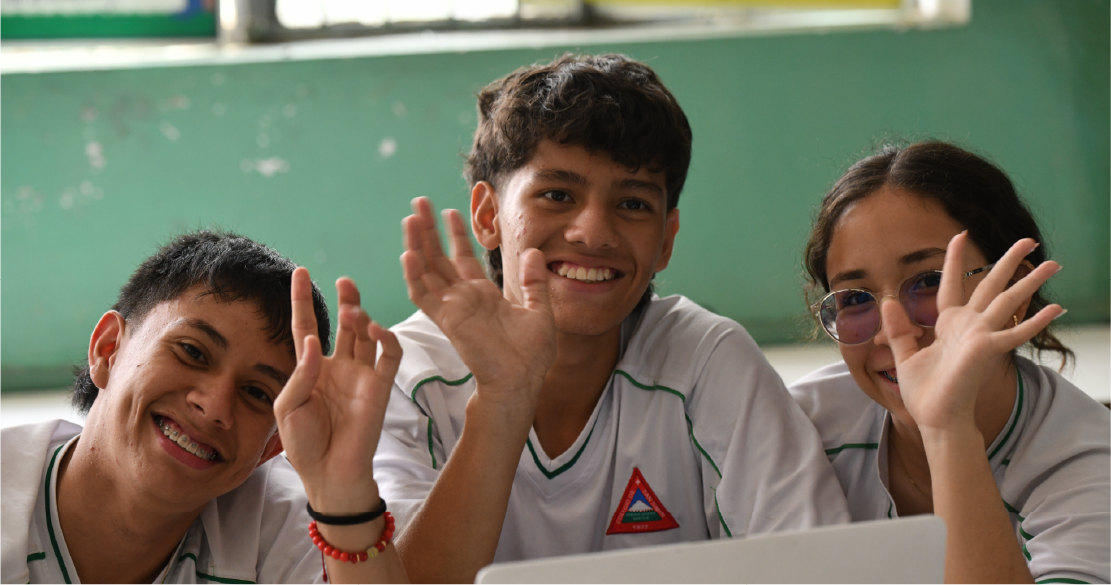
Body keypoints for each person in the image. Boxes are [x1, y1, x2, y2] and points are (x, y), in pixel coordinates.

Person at [373, 53, 849, 585]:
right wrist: (503, 402)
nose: (594, 232)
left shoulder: (706, 361)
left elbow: (818, 568)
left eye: (633, 205)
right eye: (557, 195)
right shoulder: (406, 375)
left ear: (666, 240)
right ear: (488, 216)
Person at [0, 231, 410, 585]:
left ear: (271, 448)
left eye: (257, 392)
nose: (215, 407)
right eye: (193, 352)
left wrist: (345, 493)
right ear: (109, 351)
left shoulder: (285, 530)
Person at [789, 141, 1111, 585]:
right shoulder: (797, 431)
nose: (891, 330)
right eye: (856, 298)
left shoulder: (1089, 466)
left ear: (1012, 291)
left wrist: (947, 429)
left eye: (929, 282)